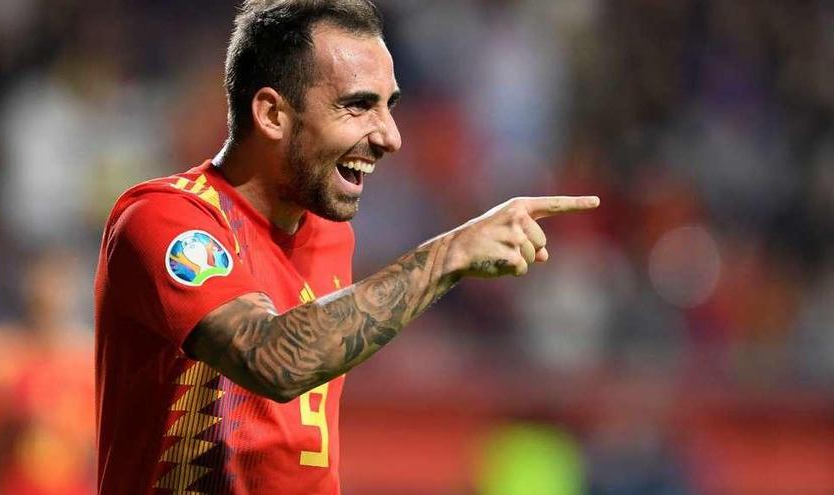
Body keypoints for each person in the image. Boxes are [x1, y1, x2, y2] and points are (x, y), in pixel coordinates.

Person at [94, 0, 599, 493]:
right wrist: (450, 255)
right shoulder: (165, 218)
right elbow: (270, 359)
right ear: (272, 114)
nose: (390, 137)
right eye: (358, 105)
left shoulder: (331, 233)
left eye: (389, 106)